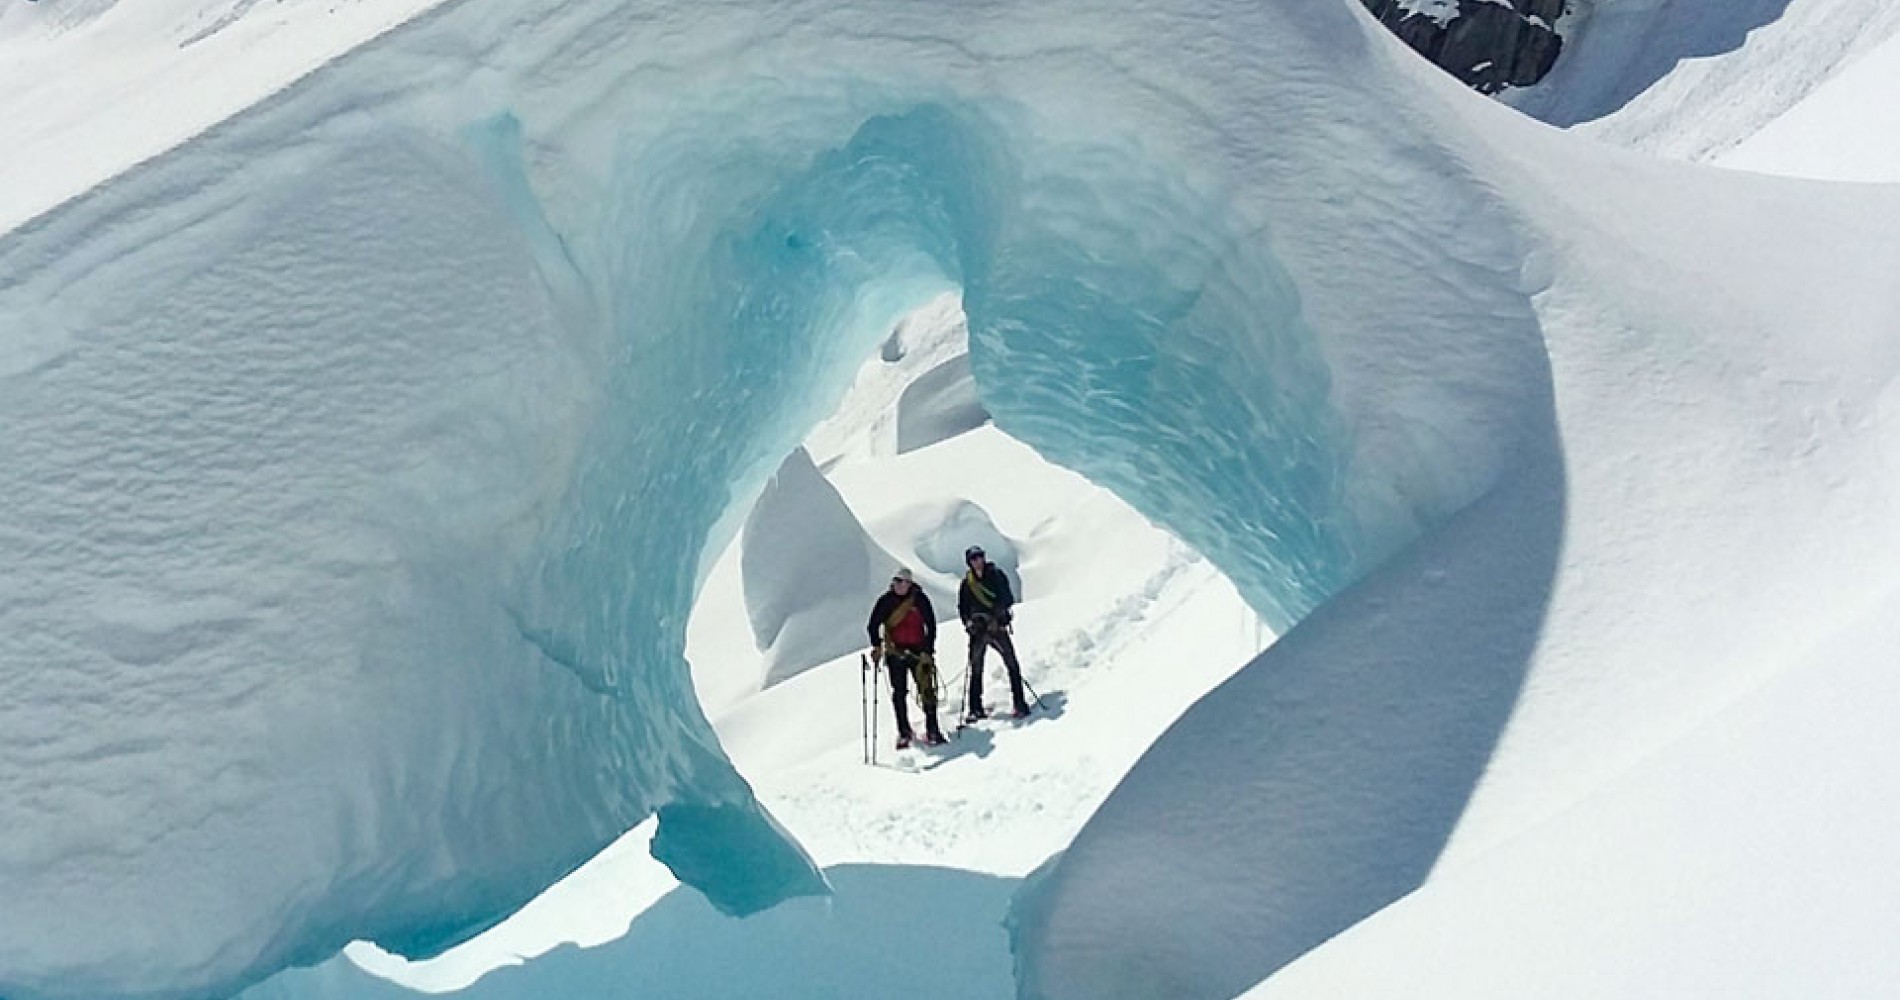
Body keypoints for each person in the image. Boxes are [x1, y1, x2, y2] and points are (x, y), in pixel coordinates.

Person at [867, 567, 945, 749]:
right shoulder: (886, 602)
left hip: (918, 651)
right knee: (899, 693)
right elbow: (873, 625)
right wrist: (877, 645)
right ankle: (904, 731)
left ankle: (933, 729)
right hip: (896, 653)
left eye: (903, 582)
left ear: (910, 584)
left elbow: (931, 625)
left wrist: (928, 649)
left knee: (927, 690)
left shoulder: (919, 599)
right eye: (897, 581)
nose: (900, 585)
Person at [958, 545, 1030, 721]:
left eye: (979, 557)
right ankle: (975, 708)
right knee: (976, 668)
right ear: (969, 562)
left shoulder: (996, 575)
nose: (977, 561)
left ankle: (1019, 703)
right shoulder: (967, 583)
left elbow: (1007, 598)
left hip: (996, 627)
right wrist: (968, 623)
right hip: (978, 630)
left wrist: (996, 615)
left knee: (1011, 663)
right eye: (974, 558)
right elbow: (963, 607)